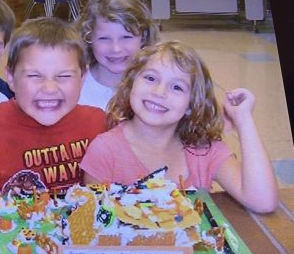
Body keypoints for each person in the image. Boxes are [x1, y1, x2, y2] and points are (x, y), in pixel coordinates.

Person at [80, 40, 278, 214]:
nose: (159, 92)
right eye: (150, 78)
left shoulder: (203, 149)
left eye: (177, 87)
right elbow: (98, 223)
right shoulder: (105, 150)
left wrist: (243, 120)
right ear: (131, 85)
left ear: (192, 106)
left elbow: (263, 202)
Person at [0, 17, 107, 194]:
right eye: (34, 76)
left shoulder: (100, 125)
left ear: (82, 78)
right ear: (11, 79)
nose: (50, 88)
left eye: (64, 76)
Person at [76, 0, 160, 111]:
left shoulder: (155, 87)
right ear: (88, 38)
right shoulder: (76, 87)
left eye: (126, 37)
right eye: (104, 38)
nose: (116, 49)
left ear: (143, 37)